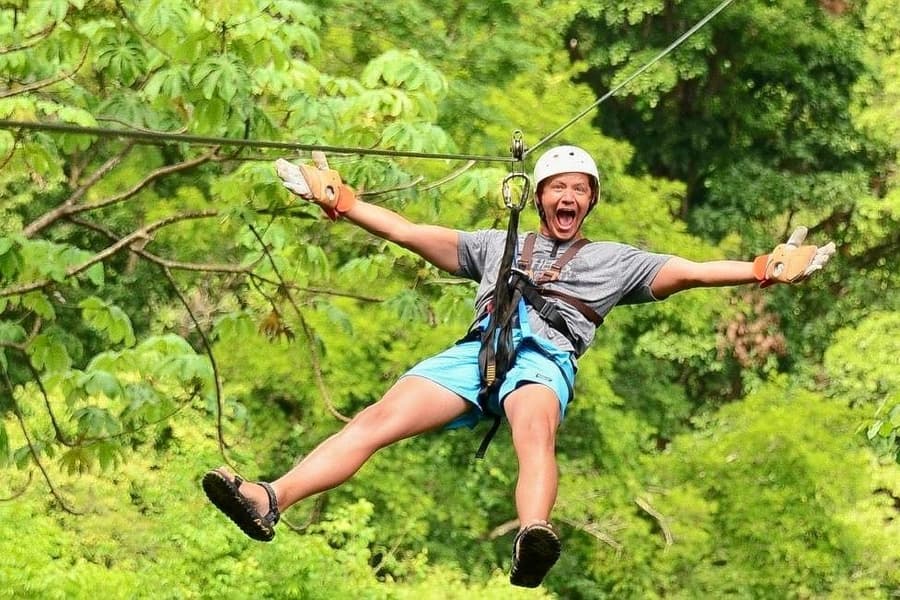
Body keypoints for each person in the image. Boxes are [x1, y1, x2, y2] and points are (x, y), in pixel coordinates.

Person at [202, 145, 835, 588]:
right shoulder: (493, 246)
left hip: (543, 357)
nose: (567, 197)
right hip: (478, 354)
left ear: (589, 204)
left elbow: (692, 271)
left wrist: (758, 268)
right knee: (374, 420)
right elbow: (406, 230)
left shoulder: (617, 261)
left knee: (534, 431)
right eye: (558, 188)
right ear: (538, 199)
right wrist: (342, 201)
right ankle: (269, 498)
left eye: (579, 191)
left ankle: (535, 534)